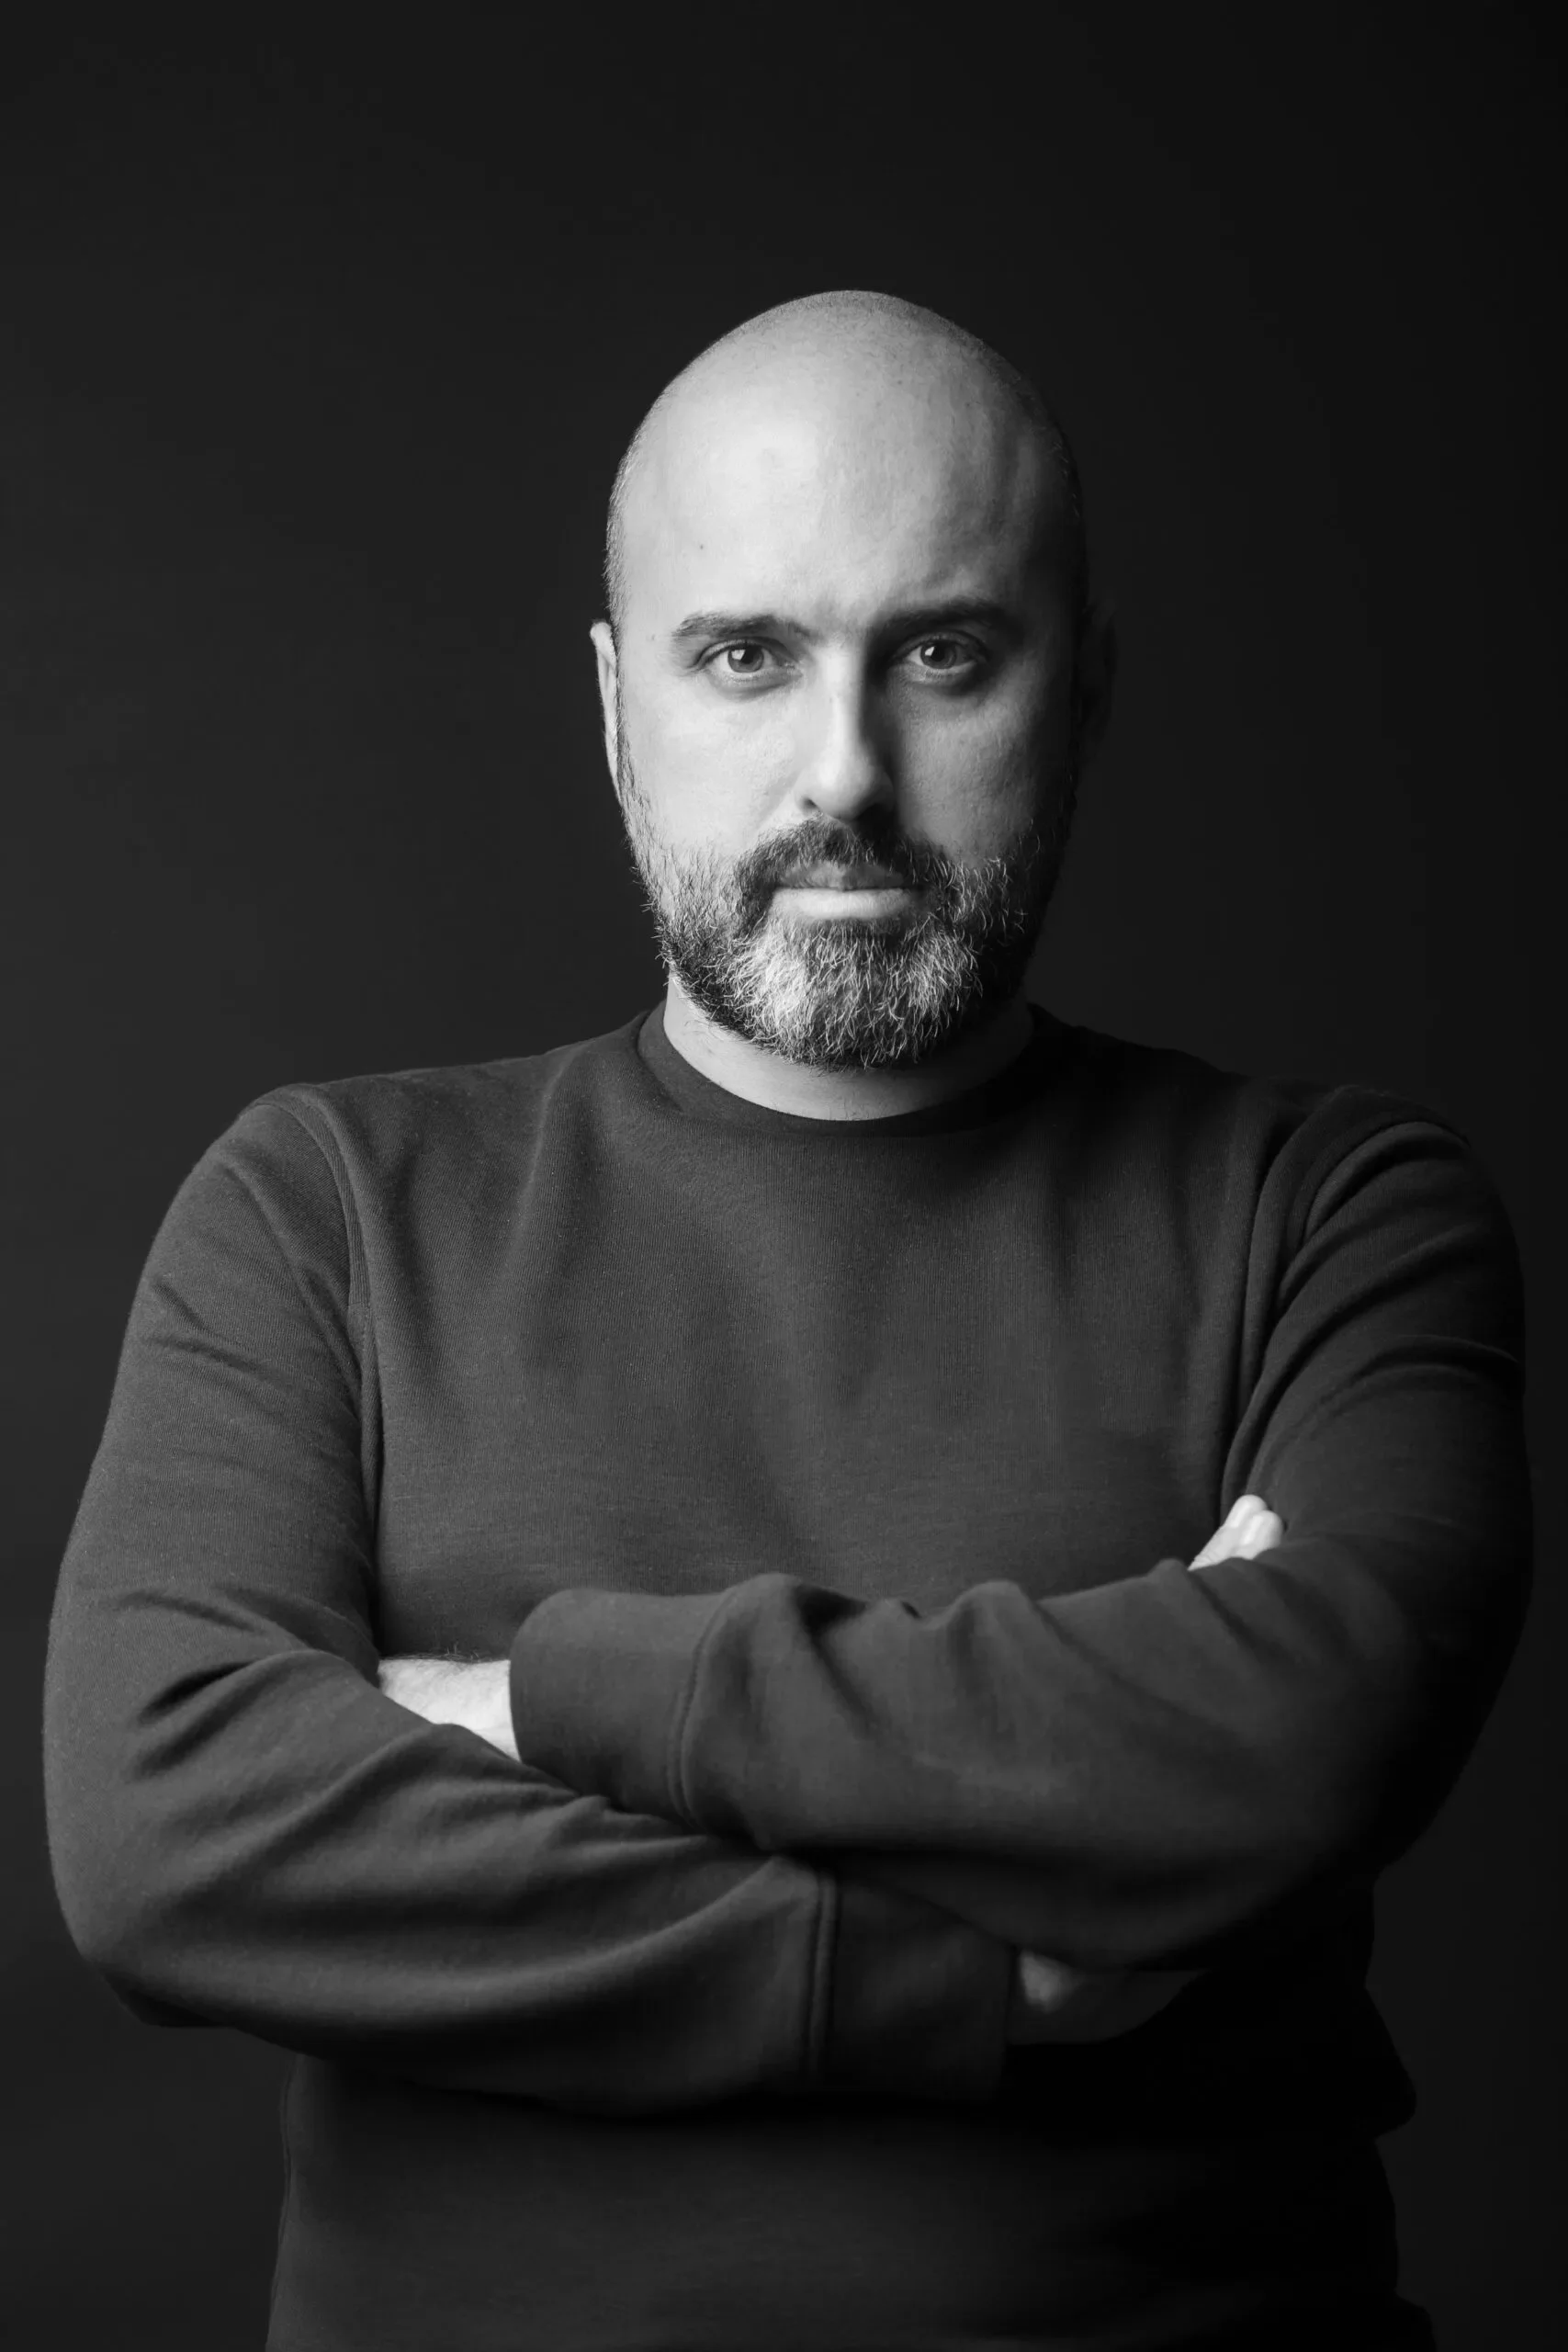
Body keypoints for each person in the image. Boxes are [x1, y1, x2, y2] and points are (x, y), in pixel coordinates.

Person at [43, 291, 1531, 2352]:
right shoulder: (321, 1208)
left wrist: (519, 1698)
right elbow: (167, 1830)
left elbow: (1303, 1732)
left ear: (1080, 689)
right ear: (613, 701)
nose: (845, 767)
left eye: (942, 652)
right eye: (745, 654)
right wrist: (955, 1973)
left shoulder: (1334, 1210)